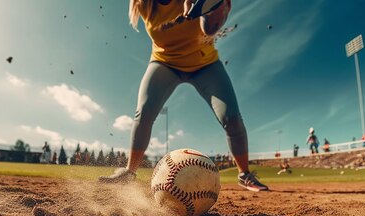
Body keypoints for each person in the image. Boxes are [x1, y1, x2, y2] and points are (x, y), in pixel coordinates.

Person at [99, 0, 268, 191]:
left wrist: (213, 10)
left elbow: (212, 27)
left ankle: (245, 174)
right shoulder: (144, 4)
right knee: (143, 113)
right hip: (164, 63)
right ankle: (129, 173)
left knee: (232, 118)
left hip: (205, 65)